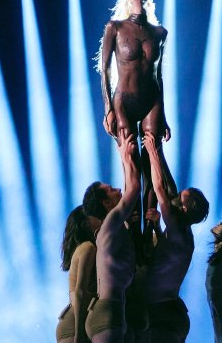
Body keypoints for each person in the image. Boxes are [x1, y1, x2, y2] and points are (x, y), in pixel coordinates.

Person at [98, 0, 175, 253]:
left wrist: (163, 114)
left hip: (151, 99)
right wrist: (108, 108)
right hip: (124, 102)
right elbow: (105, 70)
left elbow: (159, 75)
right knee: (130, 161)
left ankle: (150, 228)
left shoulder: (159, 33)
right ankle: (131, 229)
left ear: (147, 0)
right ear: (127, 0)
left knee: (152, 159)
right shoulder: (115, 27)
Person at [142, 131, 210, 343]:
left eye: (180, 197)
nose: (176, 194)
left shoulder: (179, 229)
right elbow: (170, 188)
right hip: (168, 309)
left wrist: (153, 151)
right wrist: (155, 227)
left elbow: (162, 189)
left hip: (161, 312)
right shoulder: (181, 233)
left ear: (184, 209)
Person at [82, 134, 141, 343]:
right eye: (111, 190)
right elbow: (133, 189)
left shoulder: (113, 227)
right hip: (107, 313)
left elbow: (128, 190)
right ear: (106, 204)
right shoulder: (110, 223)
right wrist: (125, 154)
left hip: (111, 311)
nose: (118, 190)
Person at [56, 206, 101, 343]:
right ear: (85, 223)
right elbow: (80, 291)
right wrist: (79, 332)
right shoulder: (88, 247)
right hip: (74, 325)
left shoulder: (84, 248)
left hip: (75, 321)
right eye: (94, 215)